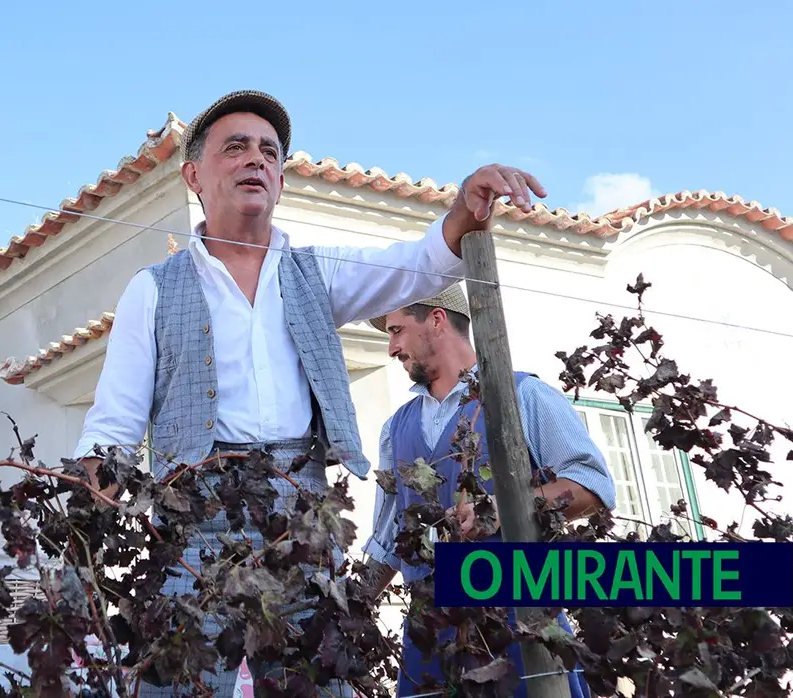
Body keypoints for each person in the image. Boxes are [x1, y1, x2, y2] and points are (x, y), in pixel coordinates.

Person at [73, 88, 547, 697]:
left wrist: (461, 212)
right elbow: (113, 425)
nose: (257, 160)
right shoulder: (153, 289)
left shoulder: (314, 273)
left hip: (301, 515)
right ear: (194, 174)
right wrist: (89, 508)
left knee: (317, 685)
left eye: (269, 152)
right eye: (236, 147)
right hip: (194, 519)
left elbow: (414, 267)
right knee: (180, 687)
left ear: (280, 180)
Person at [362, 283, 617, 698]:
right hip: (430, 633)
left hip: (518, 619)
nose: (391, 348)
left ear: (437, 320)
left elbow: (593, 485)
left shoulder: (522, 396)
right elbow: (389, 537)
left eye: (396, 331)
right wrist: (346, 607)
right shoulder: (396, 428)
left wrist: (509, 507)